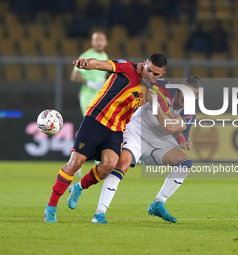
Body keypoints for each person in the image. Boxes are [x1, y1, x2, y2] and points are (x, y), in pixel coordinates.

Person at [44, 53, 168, 223]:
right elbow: (99, 64)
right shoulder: (127, 68)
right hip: (96, 118)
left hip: (116, 129)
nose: (150, 75)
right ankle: (51, 207)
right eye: (149, 70)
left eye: (156, 74)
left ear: (162, 75)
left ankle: (78, 189)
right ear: (144, 64)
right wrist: (86, 63)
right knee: (76, 162)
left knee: (109, 165)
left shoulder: (151, 91)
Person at [69, 76, 201, 223]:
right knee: (121, 165)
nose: (185, 95)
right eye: (185, 90)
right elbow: (142, 79)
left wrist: (181, 138)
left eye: (191, 93)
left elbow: (169, 127)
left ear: (196, 97)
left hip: (157, 144)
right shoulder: (163, 87)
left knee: (185, 163)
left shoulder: (189, 113)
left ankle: (158, 203)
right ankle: (99, 213)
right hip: (135, 133)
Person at [70, 31, 109, 178]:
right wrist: (90, 83)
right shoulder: (85, 55)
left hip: (100, 97)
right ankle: (75, 161)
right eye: (96, 40)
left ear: (106, 42)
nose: (99, 42)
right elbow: (74, 75)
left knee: (99, 127)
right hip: (87, 96)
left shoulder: (104, 57)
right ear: (92, 42)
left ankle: (97, 161)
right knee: (90, 126)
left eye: (101, 39)